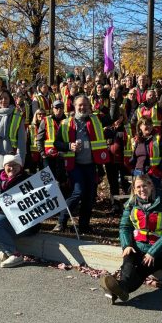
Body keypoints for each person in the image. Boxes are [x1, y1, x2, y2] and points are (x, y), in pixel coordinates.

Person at [98, 175, 162, 304]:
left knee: (142, 269)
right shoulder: (131, 204)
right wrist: (127, 245)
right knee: (128, 262)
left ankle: (117, 290)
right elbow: (124, 227)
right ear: (134, 190)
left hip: (160, 251)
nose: (142, 189)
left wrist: (153, 252)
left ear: (151, 186)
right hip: (137, 245)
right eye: (138, 187)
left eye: (145, 186)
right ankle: (120, 289)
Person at [53, 95, 111, 233]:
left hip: (91, 165)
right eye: (80, 105)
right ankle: (61, 221)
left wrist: (108, 100)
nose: (82, 107)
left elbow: (111, 117)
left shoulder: (96, 120)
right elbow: (57, 143)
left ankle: (84, 225)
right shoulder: (66, 123)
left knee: (89, 196)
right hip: (75, 165)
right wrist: (69, 146)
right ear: (74, 106)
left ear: (89, 107)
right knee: (78, 192)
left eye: (85, 105)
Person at [0, 89, 26, 177]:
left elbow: (22, 141)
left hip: (11, 157)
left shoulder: (17, 115)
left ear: (10, 100)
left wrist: (20, 161)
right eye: (0, 98)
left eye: (6, 98)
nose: (3, 100)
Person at [129, 116, 162, 189]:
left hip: (153, 174)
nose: (149, 126)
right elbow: (132, 158)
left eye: (150, 124)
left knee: (153, 196)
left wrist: (158, 170)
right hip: (137, 173)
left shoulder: (159, 138)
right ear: (140, 126)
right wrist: (132, 170)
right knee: (140, 197)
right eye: (146, 124)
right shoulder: (136, 140)